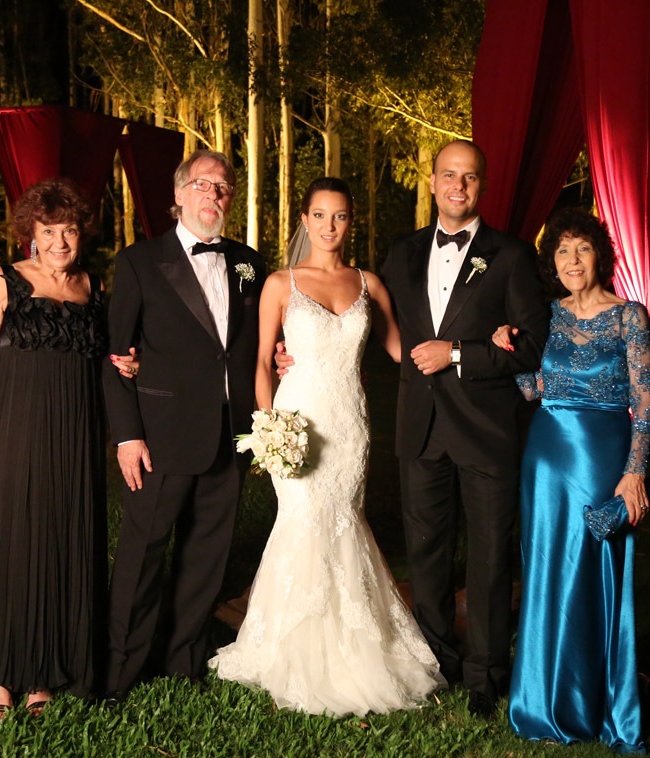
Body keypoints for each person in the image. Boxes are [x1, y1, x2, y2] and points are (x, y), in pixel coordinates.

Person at [210, 177, 444, 716]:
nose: (330, 226)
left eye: (340, 216)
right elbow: (261, 362)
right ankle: (289, 648)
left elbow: (405, 354)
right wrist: (268, 428)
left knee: (344, 521)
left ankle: (352, 648)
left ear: (350, 221)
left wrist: (464, 347)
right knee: (303, 521)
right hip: (297, 422)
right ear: (305, 219)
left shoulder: (369, 284)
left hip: (349, 425)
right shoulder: (279, 283)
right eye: (320, 215)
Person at [380, 139, 548, 719]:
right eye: (449, 175)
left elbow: (533, 345)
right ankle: (434, 661)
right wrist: (288, 352)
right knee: (425, 554)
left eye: (470, 177)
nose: (458, 186)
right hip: (420, 427)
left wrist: (459, 352)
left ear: (482, 186)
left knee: (489, 557)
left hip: (485, 429)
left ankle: (484, 672)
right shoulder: (400, 253)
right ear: (431, 182)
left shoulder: (512, 256)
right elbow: (368, 321)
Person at [102, 150, 266, 706]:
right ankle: (121, 667)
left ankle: (183, 661)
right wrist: (127, 435)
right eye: (202, 185)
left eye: (222, 187)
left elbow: (260, 343)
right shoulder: (140, 263)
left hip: (229, 435)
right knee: (143, 555)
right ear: (178, 195)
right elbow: (114, 356)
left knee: (206, 556)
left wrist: (283, 356)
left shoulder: (249, 262)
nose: (213, 195)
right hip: (160, 436)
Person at [493, 209, 650, 753]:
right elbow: (536, 388)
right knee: (545, 573)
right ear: (551, 262)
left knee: (597, 572)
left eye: (581, 249)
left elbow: (646, 404)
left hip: (604, 461)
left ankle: (600, 703)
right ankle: (541, 701)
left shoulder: (629, 317)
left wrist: (635, 473)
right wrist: (507, 349)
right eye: (562, 251)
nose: (572, 261)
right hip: (546, 462)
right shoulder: (549, 317)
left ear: (599, 256)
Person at [0, 177, 108, 719]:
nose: (60, 242)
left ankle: (44, 672)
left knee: (61, 540)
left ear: (80, 233)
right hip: (13, 427)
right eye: (48, 231)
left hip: (75, 434)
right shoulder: (4, 280)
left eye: (68, 230)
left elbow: (103, 359)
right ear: (31, 234)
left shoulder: (93, 286)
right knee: (13, 539)